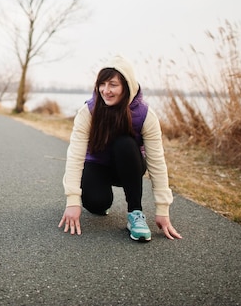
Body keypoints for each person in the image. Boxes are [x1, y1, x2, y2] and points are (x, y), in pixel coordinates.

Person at [58, 54, 181, 241]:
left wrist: (162, 209)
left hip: (128, 166)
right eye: (102, 84)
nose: (106, 91)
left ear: (127, 86)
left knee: (124, 143)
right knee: (96, 205)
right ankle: (100, 199)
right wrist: (72, 201)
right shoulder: (88, 112)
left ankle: (135, 214)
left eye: (113, 85)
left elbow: (157, 162)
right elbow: (75, 156)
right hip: (97, 164)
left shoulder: (146, 116)